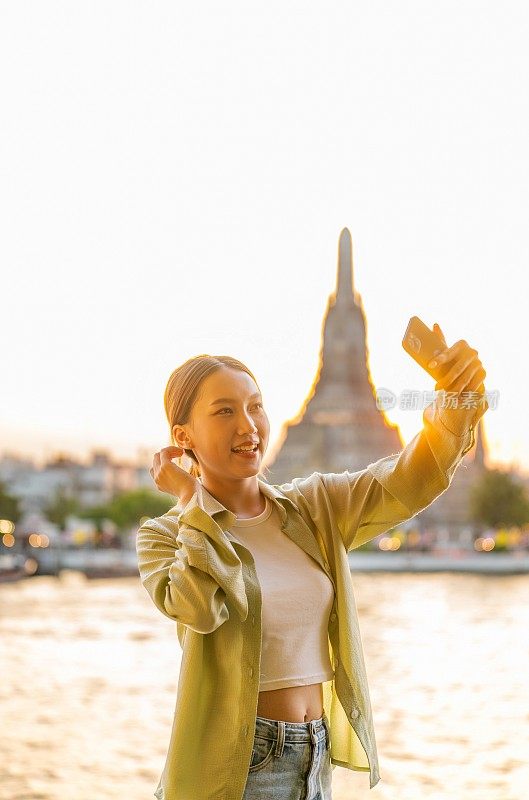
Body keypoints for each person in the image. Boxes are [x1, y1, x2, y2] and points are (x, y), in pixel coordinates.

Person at [137, 328, 488, 800]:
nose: (249, 426)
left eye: (255, 406)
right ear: (183, 437)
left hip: (313, 757)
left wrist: (457, 400)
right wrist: (190, 499)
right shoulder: (165, 536)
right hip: (236, 767)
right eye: (224, 411)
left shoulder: (314, 507)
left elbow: (408, 480)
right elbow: (199, 607)